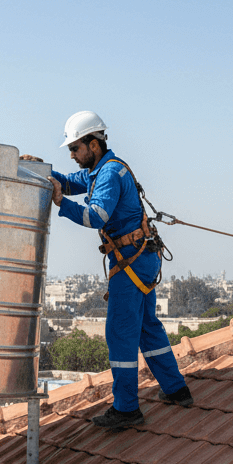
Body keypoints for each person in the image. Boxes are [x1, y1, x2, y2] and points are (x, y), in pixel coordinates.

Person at [47, 111, 192, 430]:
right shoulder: (101, 170)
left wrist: (62, 204)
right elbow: (71, 182)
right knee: (146, 328)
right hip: (140, 256)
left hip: (131, 258)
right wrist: (43, 172)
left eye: (75, 148)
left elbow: (96, 216)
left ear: (93, 144)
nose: (72, 155)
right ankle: (176, 389)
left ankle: (127, 407)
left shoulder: (109, 174)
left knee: (120, 332)